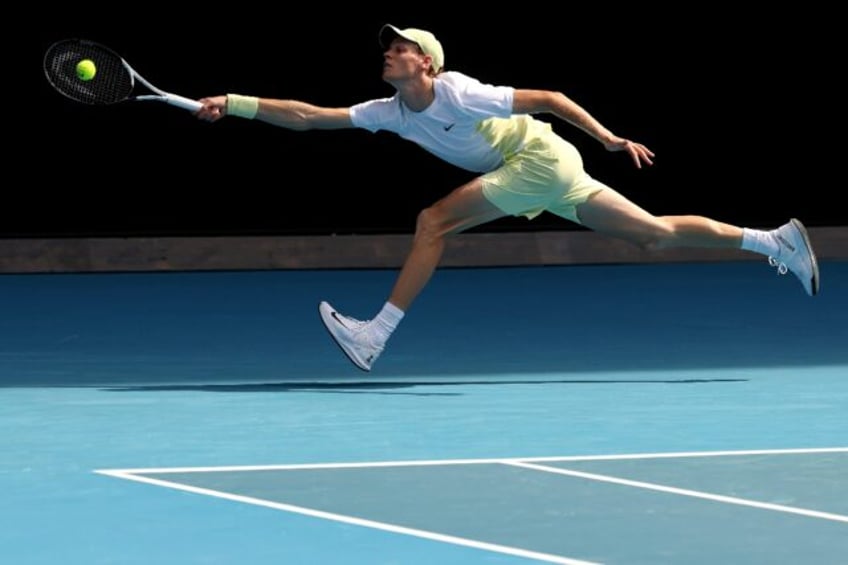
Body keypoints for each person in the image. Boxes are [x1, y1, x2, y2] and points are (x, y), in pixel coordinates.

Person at [195, 24, 820, 372]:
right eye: (387, 47)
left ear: (428, 64)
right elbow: (308, 117)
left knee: (432, 221)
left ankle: (375, 335)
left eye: (401, 47)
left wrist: (607, 138)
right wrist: (236, 103)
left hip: (540, 158)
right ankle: (774, 240)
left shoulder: (459, 92)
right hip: (539, 169)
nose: (388, 52)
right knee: (650, 234)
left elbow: (548, 98)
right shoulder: (390, 112)